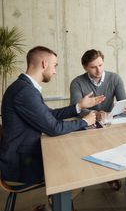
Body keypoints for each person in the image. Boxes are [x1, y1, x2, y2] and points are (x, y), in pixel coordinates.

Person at [0, 46, 105, 186]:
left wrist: (79, 106)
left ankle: (55, 205)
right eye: (54, 65)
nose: (55, 71)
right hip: (22, 164)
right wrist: (85, 122)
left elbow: (49, 114)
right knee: (78, 167)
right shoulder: (25, 92)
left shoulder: (24, 87)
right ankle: (54, 206)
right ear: (44, 64)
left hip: (25, 154)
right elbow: (54, 127)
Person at [70, 49, 126, 190]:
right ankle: (96, 174)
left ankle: (111, 174)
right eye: (93, 67)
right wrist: (95, 113)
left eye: (100, 65)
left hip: (109, 123)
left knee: (118, 142)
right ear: (85, 67)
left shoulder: (115, 78)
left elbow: (123, 102)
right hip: (88, 124)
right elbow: (75, 108)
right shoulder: (77, 83)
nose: (98, 70)